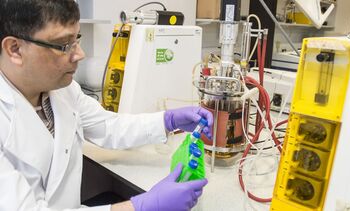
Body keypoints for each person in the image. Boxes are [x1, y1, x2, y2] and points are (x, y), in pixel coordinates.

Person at [0, 0, 213, 211]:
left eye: (77, 39)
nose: (79, 55)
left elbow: (109, 126)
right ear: (15, 49)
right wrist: (139, 207)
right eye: (64, 45)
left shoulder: (61, 89)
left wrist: (167, 121)